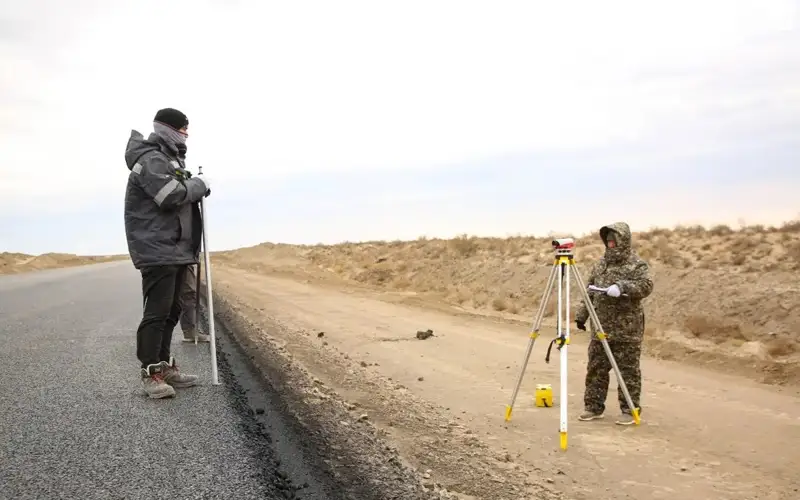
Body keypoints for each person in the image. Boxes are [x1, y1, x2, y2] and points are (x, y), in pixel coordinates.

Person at [123, 107, 211, 399]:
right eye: (184, 129)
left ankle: (164, 366)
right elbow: (169, 195)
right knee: (157, 311)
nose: (186, 134)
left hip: (176, 248)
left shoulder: (170, 159)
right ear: (169, 129)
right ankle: (151, 373)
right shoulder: (151, 160)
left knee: (173, 309)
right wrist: (199, 185)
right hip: (157, 248)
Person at [574, 222, 653, 425]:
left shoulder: (637, 264)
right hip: (601, 328)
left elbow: (646, 286)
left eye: (614, 239)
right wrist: (582, 316)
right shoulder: (600, 265)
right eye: (608, 240)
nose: (611, 243)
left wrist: (622, 286)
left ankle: (629, 409)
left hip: (627, 329)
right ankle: (593, 407)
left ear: (624, 240)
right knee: (596, 369)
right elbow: (589, 291)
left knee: (628, 372)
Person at [179, 263, 211, 343]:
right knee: (188, 293)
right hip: (179, 257)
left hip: (157, 257)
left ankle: (156, 344)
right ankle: (189, 331)